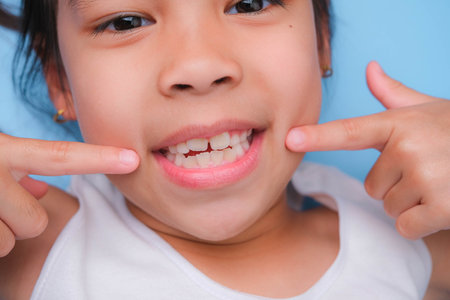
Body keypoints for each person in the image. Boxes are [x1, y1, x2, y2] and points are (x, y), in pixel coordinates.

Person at [0, 0, 449, 299]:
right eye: (126, 22)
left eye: (249, 2)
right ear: (60, 83)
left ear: (320, 42)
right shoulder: (31, 247)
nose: (199, 66)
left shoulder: (407, 237)